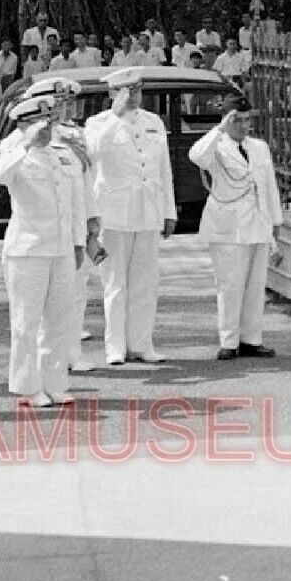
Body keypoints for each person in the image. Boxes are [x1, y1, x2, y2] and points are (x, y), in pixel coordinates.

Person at [0, 93, 87, 408]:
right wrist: (27, 143)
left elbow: (75, 201)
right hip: (27, 249)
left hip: (60, 248)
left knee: (60, 318)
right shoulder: (13, 152)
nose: (46, 128)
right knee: (25, 321)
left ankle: (55, 382)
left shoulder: (61, 152)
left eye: (49, 121)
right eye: (38, 122)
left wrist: (79, 241)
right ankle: (27, 387)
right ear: (24, 124)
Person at [85, 66, 177, 366]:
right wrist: (115, 116)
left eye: (137, 90)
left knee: (145, 282)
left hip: (148, 210)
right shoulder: (98, 123)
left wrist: (168, 211)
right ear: (113, 93)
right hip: (113, 212)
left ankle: (142, 343)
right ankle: (115, 346)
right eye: (127, 90)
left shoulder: (153, 122)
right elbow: (94, 153)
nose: (134, 96)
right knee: (115, 283)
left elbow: (164, 170)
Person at [189, 95, 284, 360]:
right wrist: (219, 128)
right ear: (227, 120)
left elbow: (269, 187)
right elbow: (195, 155)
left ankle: (251, 339)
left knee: (256, 285)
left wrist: (275, 223)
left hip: (257, 223)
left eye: (247, 120)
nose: (244, 126)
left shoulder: (259, 147)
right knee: (230, 285)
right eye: (238, 120)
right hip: (228, 227)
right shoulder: (216, 145)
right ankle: (229, 340)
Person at [33, 74, 103, 374]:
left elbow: (86, 182)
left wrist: (91, 220)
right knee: (50, 299)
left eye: (67, 101)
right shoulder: (37, 138)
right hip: (48, 229)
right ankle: (51, 356)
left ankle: (71, 351)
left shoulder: (75, 133)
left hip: (77, 222)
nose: (64, 107)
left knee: (77, 291)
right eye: (58, 101)